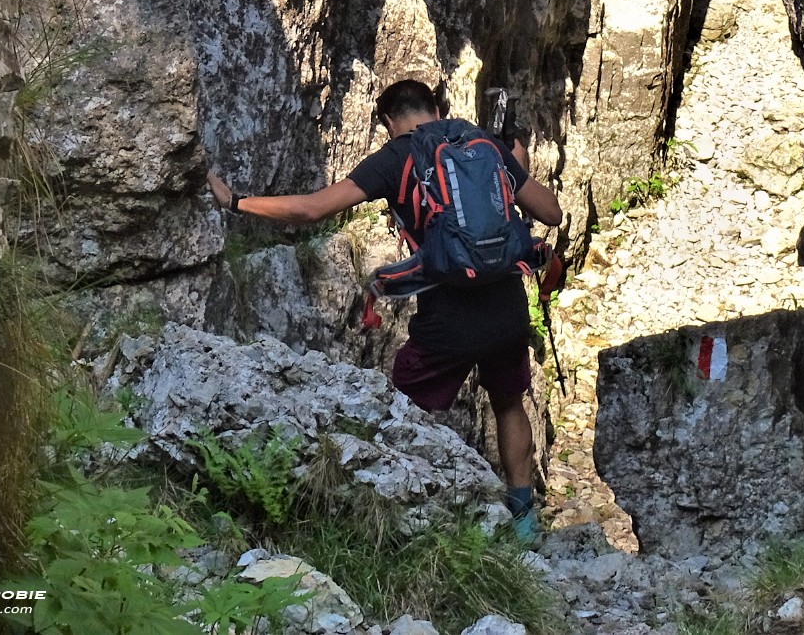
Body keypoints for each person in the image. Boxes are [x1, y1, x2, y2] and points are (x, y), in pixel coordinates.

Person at [207, 78, 563, 545]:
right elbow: (551, 213)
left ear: (388, 122)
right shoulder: (480, 142)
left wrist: (236, 201)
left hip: (447, 319)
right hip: (508, 306)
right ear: (436, 108)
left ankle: (409, 518)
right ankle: (522, 518)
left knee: (400, 413)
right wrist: (516, 166)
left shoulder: (398, 157)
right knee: (509, 403)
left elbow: (313, 210)